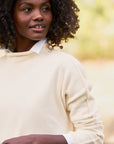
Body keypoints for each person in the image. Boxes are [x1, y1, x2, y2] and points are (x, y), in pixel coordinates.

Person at [0, 0, 104, 144]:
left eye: (45, 8)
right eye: (27, 9)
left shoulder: (65, 66)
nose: (39, 16)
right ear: (8, 15)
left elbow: (94, 135)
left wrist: (36, 140)